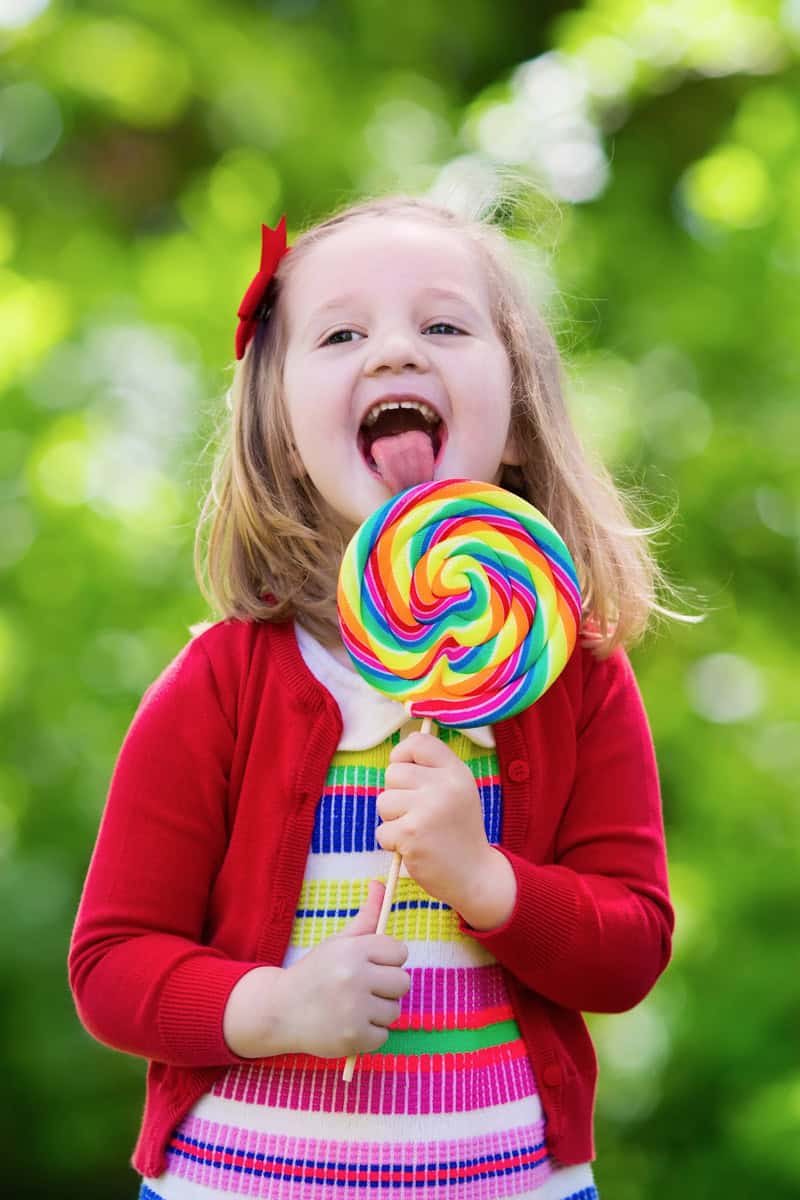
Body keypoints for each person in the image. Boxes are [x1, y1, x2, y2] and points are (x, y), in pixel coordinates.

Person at [69, 195, 678, 1200]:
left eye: (442, 325)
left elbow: (630, 950)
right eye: (343, 332)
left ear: (518, 420)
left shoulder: (568, 678)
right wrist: (274, 1007)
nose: (395, 351)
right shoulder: (218, 687)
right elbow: (110, 966)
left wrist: (484, 880)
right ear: (279, 431)